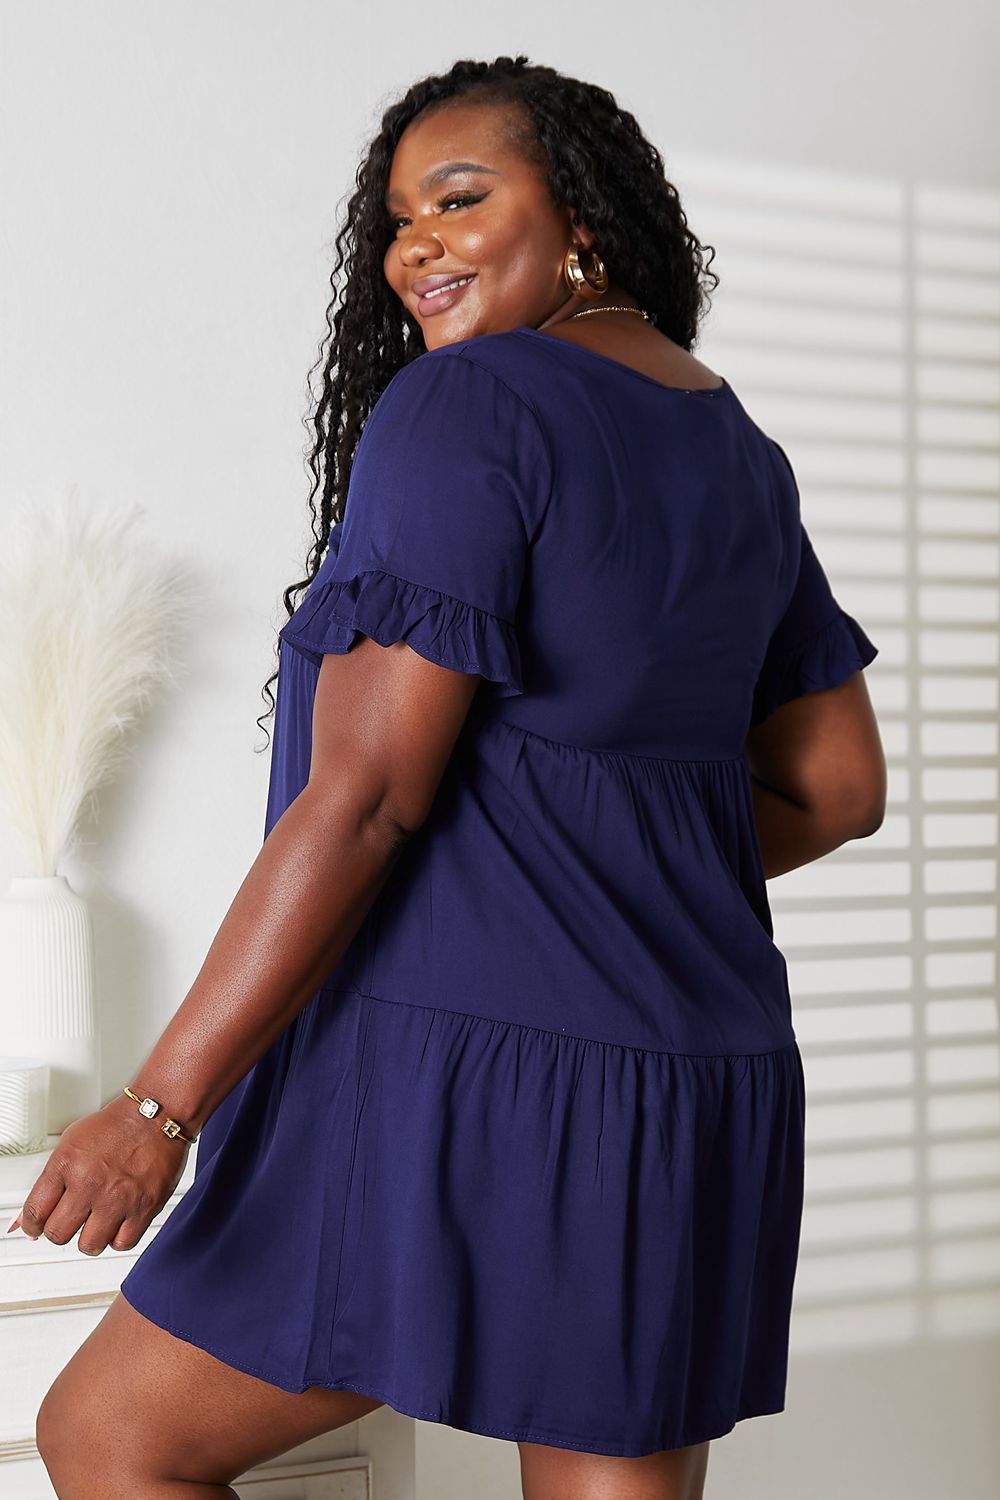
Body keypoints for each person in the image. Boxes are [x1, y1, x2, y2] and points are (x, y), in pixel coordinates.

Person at [18, 55, 885, 1500]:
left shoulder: (473, 405)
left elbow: (362, 799)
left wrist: (158, 1109)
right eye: (396, 224)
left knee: (111, 1439)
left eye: (461, 198)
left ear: (585, 220)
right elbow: (836, 786)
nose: (414, 245)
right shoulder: (735, 448)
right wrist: (596, 852)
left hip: (467, 1081)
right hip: (692, 1084)